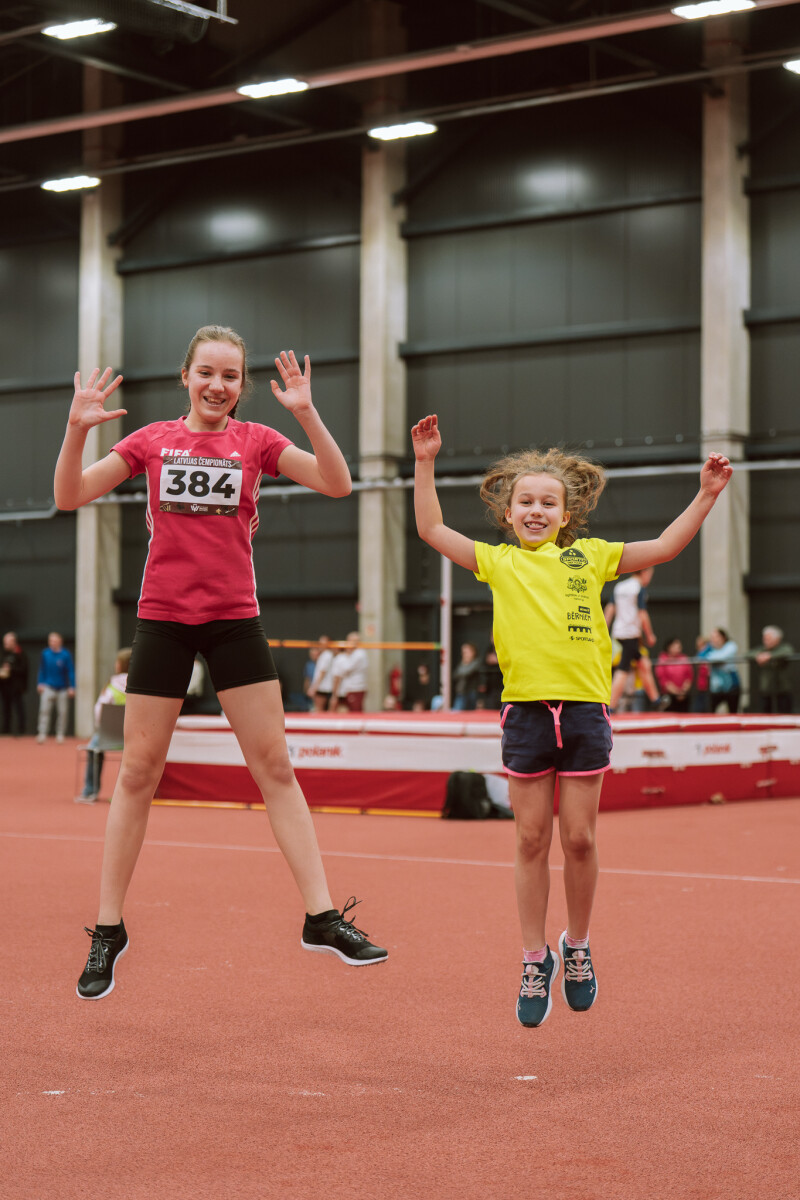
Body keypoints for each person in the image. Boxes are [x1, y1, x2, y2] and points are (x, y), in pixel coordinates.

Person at [54, 327, 387, 1000]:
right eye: (206, 372)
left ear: (241, 385)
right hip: (164, 620)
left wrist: (305, 412)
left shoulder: (258, 441)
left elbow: (338, 483)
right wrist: (75, 430)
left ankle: (321, 917)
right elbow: (69, 495)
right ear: (186, 376)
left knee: (276, 767)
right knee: (138, 772)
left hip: (235, 620)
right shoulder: (150, 441)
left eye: (230, 376)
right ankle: (108, 929)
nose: (217, 385)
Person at [412, 412, 731, 1028]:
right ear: (509, 513)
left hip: (584, 711)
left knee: (579, 839)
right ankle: (535, 957)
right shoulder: (497, 562)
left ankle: (576, 946)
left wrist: (706, 495)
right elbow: (430, 528)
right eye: (525, 502)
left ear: (565, 515)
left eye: (548, 503)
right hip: (527, 713)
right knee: (530, 839)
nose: (536, 510)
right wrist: (425, 462)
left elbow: (664, 548)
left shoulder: (592, 556)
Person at [75, 647, 132, 803]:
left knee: (93, 749)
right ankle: (123, 794)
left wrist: (101, 728)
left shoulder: (112, 686)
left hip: (108, 736)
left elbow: (99, 712)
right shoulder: (140, 687)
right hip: (131, 737)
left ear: (120, 665)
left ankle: (90, 790)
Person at [606, 569, 664, 712]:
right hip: (630, 634)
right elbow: (642, 613)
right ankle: (611, 706)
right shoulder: (638, 588)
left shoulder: (620, 586)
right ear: (645, 572)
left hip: (619, 632)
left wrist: (604, 628)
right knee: (623, 669)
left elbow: (610, 608)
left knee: (644, 664)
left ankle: (656, 700)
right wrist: (650, 635)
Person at [36, 631, 75, 743]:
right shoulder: (45, 653)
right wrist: (40, 683)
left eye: (54, 641)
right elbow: (42, 669)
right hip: (48, 687)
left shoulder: (65, 654)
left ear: (60, 641)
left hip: (62, 688)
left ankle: (60, 734)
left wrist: (72, 686)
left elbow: (70, 671)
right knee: (44, 711)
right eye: (50, 641)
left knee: (63, 712)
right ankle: (42, 733)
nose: (52, 643)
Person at [748, 625, 794, 713]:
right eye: (765, 638)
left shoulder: (784, 647)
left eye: (768, 639)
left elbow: (788, 651)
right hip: (766, 688)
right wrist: (758, 656)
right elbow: (748, 653)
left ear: (777, 639)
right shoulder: (762, 649)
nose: (765, 641)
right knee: (765, 713)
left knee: (784, 713)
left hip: (782, 688)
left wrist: (770, 656)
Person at [330, 631, 369, 712]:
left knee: (355, 712)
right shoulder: (351, 655)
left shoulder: (359, 653)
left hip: (356, 688)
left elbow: (345, 669)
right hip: (349, 688)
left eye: (351, 641)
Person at [654, 637, 694, 713]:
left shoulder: (684, 658)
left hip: (684, 696)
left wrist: (683, 691)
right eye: (675, 645)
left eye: (679, 646)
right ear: (669, 647)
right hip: (669, 697)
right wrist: (676, 692)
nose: (678, 647)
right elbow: (663, 680)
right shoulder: (663, 659)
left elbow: (689, 676)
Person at [0, 631, 28, 736]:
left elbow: (24, 669)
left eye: (7, 642)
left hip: (16, 687)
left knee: (19, 708)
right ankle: (6, 729)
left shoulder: (20, 654)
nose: (5, 645)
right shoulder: (3, 654)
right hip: (4, 686)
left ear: (13, 642)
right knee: (6, 709)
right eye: (4, 642)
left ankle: (21, 730)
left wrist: (11, 669)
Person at [706, 627, 741, 713]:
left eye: (716, 637)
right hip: (716, 687)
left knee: (733, 711)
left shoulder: (731, 646)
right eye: (712, 637)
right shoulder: (710, 648)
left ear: (723, 637)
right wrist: (709, 648)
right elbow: (701, 656)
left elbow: (720, 658)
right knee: (710, 710)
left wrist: (711, 656)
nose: (714, 640)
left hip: (731, 684)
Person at [307, 634, 335, 712]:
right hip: (324, 687)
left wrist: (314, 688)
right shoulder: (325, 655)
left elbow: (322, 673)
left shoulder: (326, 655)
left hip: (322, 688)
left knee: (319, 710)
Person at [478, 633, 503, 710]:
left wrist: (498, 661)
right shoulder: (488, 649)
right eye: (492, 636)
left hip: (501, 683)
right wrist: (483, 683)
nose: (493, 639)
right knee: (490, 706)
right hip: (490, 685)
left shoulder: (503, 649)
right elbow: (482, 666)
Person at [452, 641, 480, 711]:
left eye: (466, 652)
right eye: (463, 652)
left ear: (473, 652)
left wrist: (465, 664)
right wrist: (464, 664)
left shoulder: (476, 662)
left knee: (470, 713)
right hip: (461, 692)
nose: (464, 654)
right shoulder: (462, 663)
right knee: (457, 712)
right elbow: (455, 675)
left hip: (470, 693)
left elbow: (467, 673)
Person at [691, 634, 712, 713]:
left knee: (704, 705)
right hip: (700, 684)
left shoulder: (708, 651)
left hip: (707, 683)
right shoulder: (700, 652)